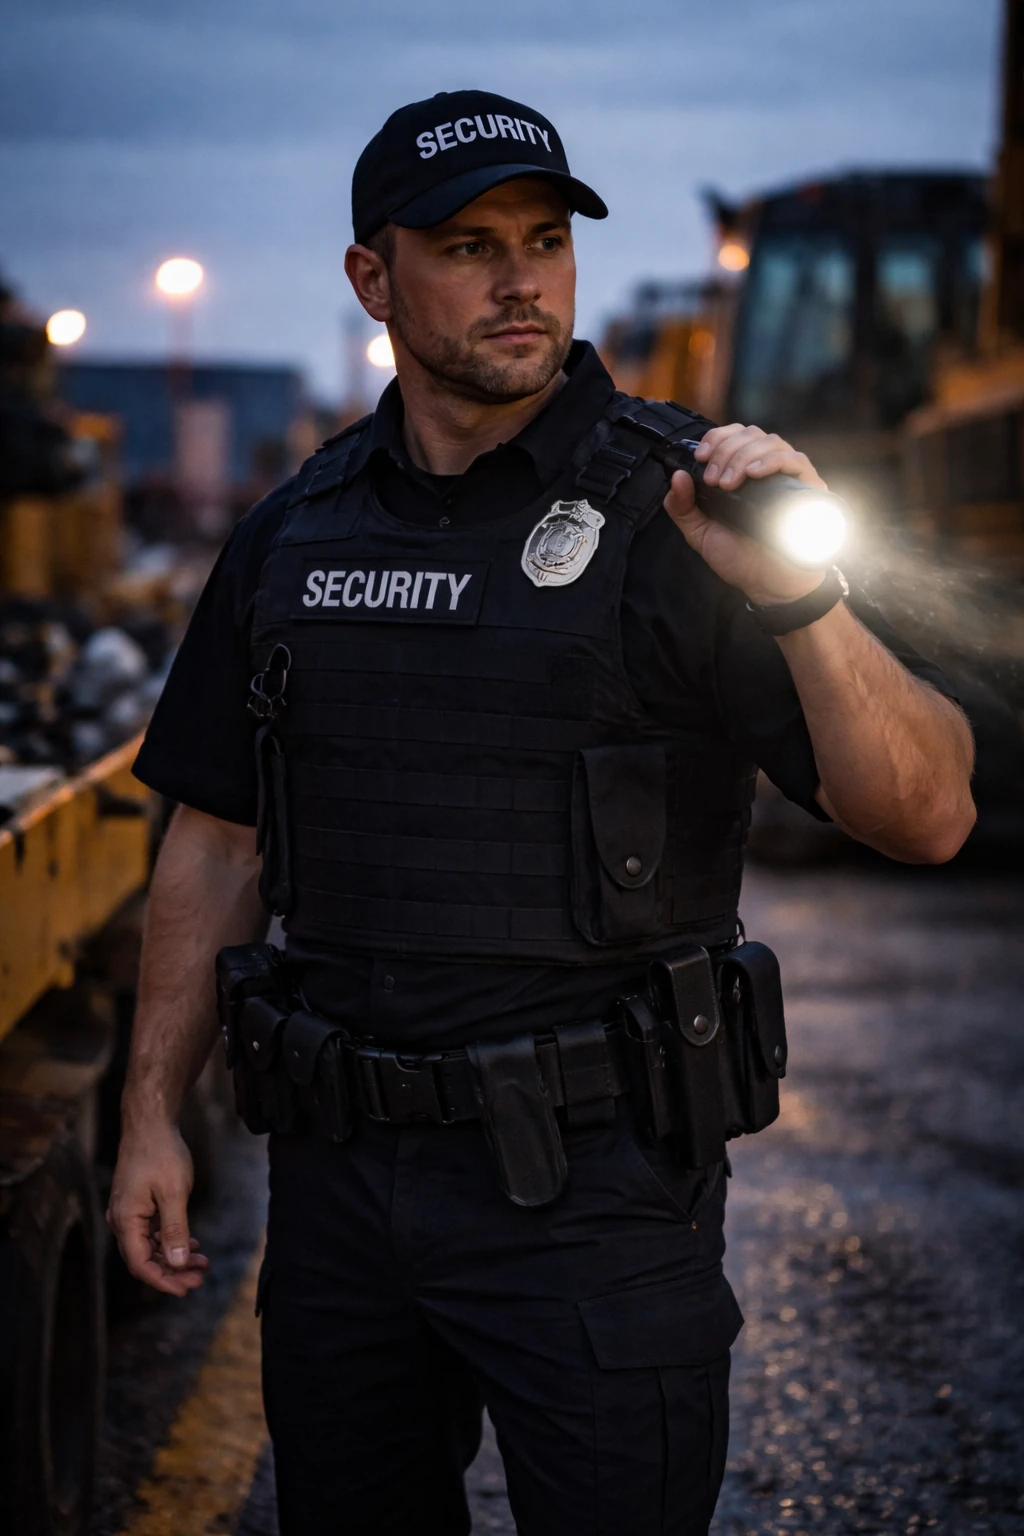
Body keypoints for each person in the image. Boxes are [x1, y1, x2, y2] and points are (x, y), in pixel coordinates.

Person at [108, 90, 976, 1536]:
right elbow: (215, 839)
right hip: (339, 1191)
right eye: (467, 245)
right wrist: (151, 1120)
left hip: (593, 1195)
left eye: (544, 241)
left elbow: (930, 813)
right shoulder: (292, 534)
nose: (521, 280)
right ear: (371, 280)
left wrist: (806, 601)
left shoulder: (690, 508)